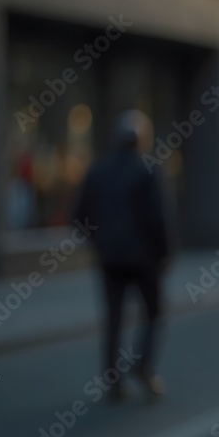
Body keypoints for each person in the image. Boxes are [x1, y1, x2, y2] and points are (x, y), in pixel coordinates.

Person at [72, 110, 172, 401]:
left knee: (114, 319)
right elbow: (159, 218)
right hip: (144, 259)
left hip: (110, 258)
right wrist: (165, 253)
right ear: (140, 139)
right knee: (152, 313)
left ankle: (112, 381)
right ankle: (143, 364)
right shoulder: (148, 170)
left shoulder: (98, 171)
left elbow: (78, 215)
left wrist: (98, 241)